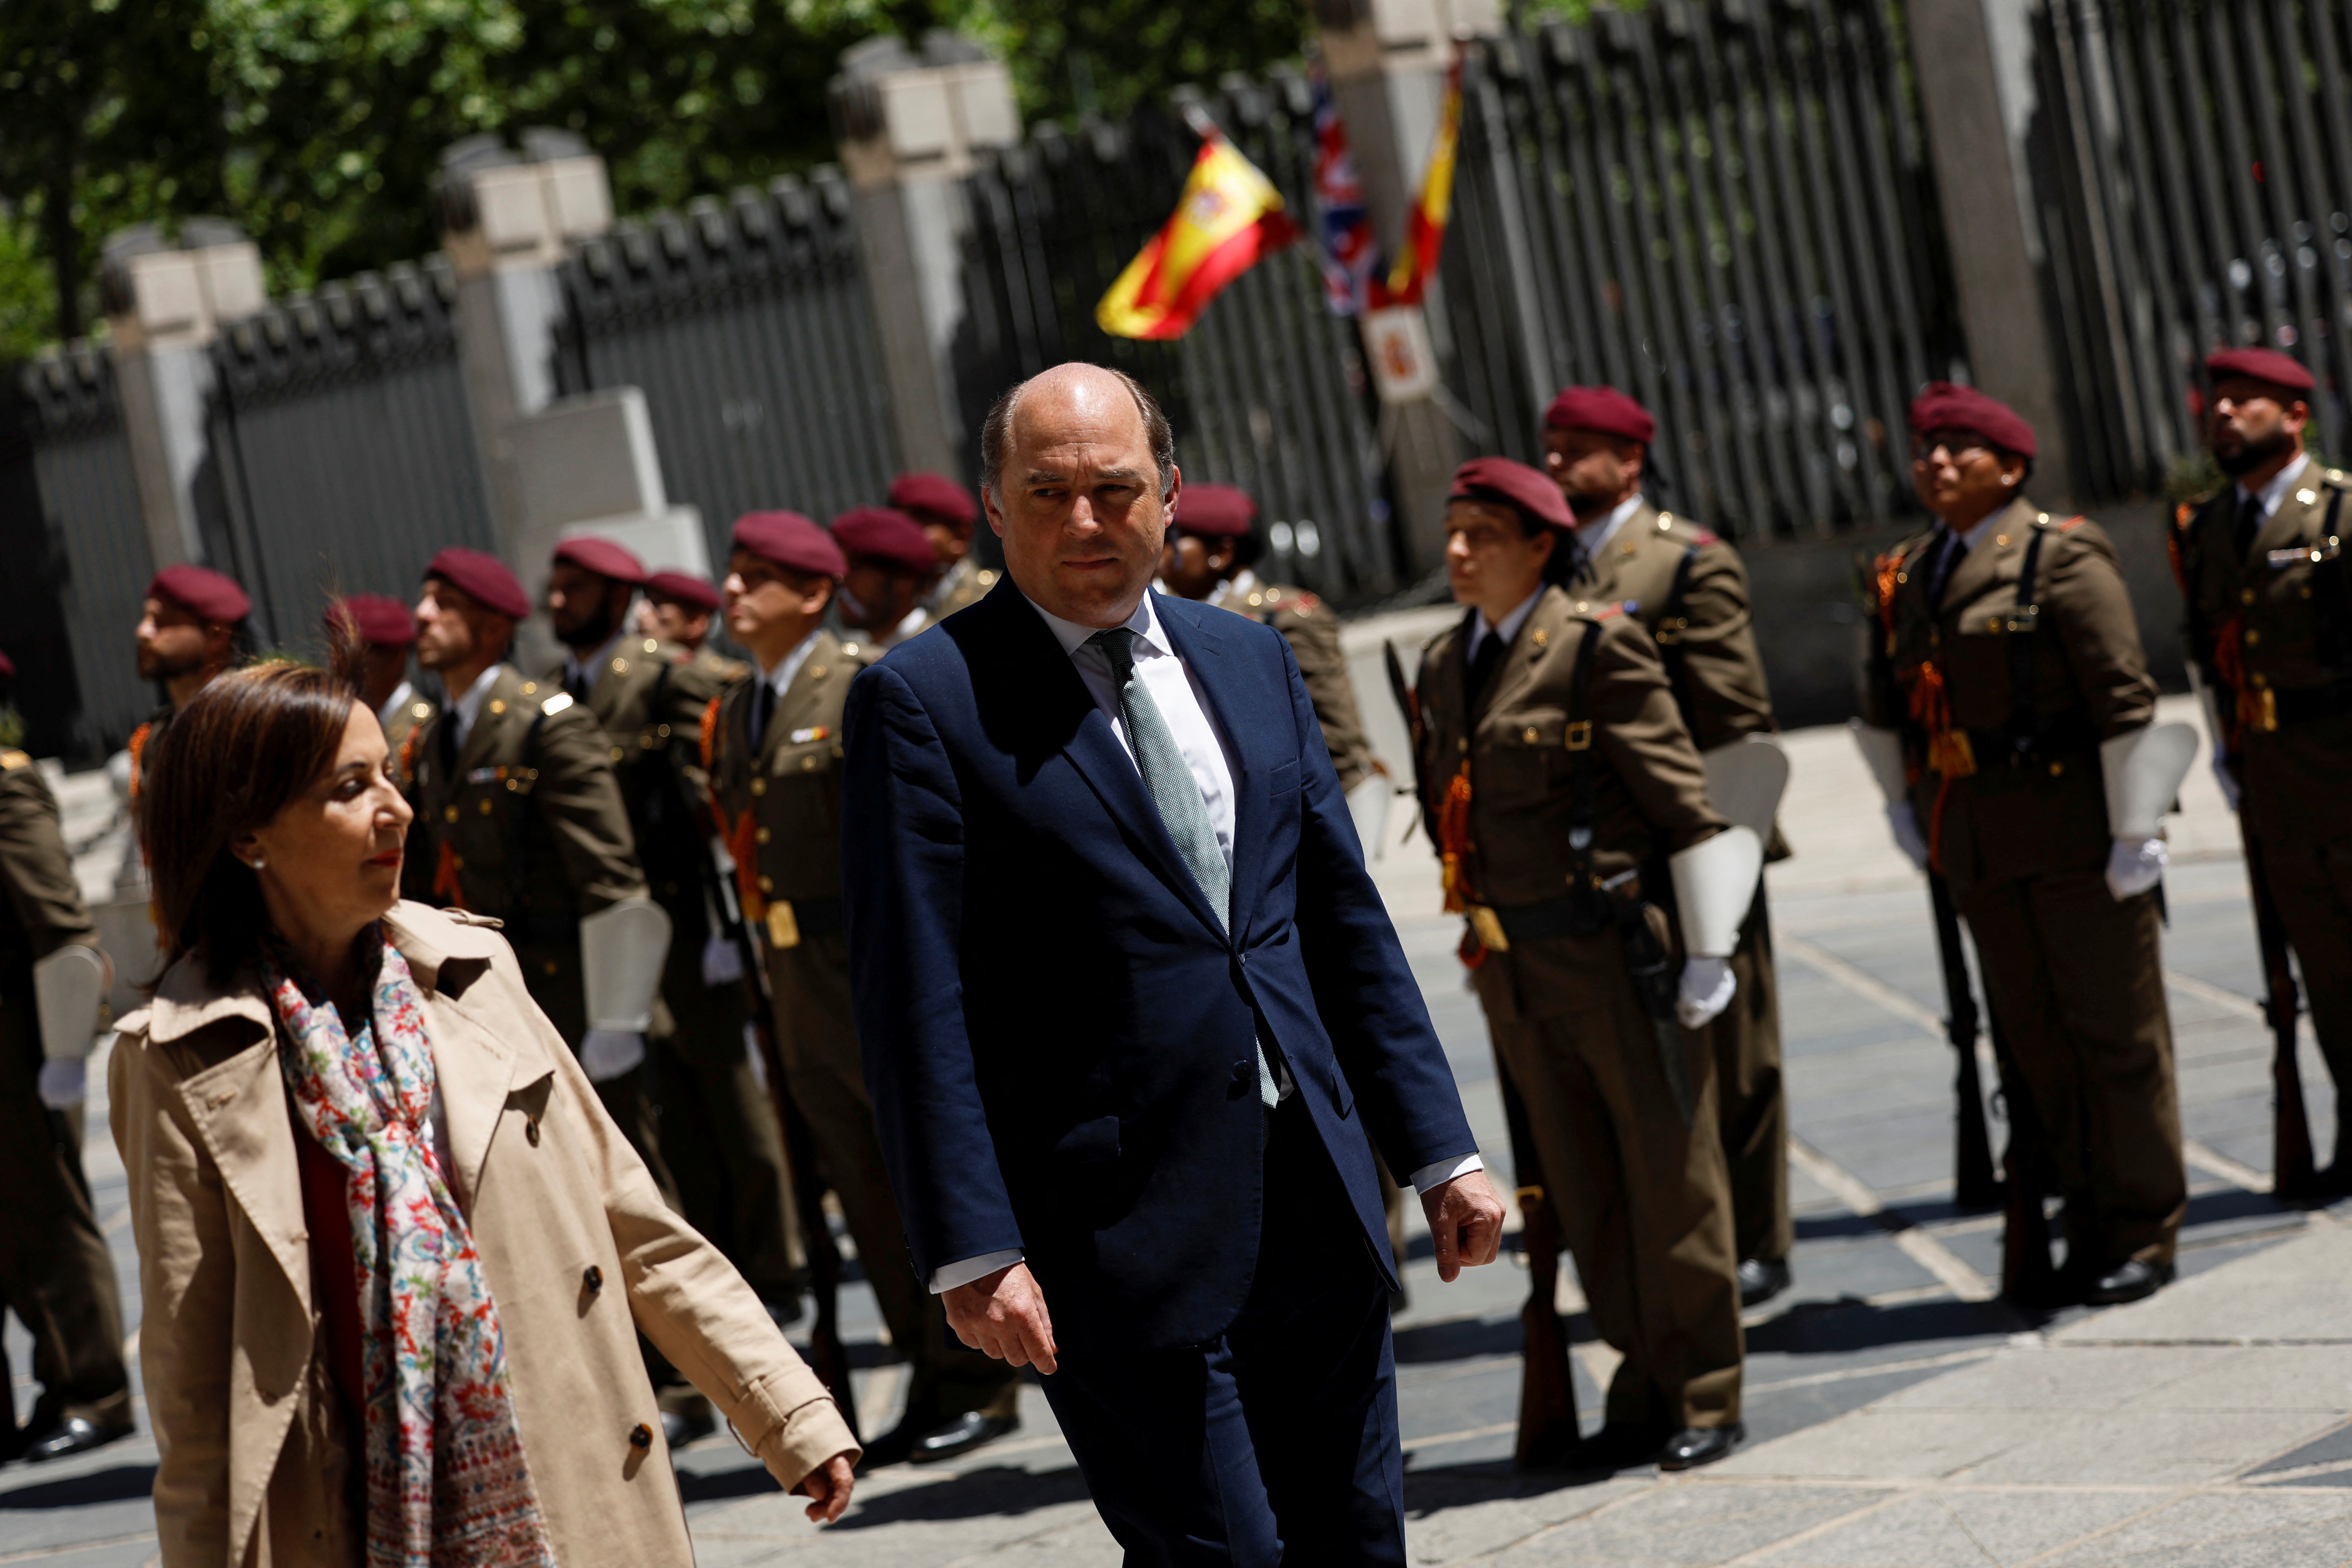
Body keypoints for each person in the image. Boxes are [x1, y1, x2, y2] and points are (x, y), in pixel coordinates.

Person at [842, 362, 1506, 1559]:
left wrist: (1439, 1146)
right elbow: (913, 1001)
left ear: (1171, 494)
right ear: (991, 508)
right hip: (1112, 1232)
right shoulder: (924, 700)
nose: (1082, 522)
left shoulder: (1249, 660)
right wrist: (972, 1245)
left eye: (1113, 488)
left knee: (1357, 1535)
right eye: (1044, 494)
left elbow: (1337, 922)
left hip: (1315, 1189)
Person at [114, 655, 856, 1564]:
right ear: (247, 834)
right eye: (352, 786)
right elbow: (192, 1381)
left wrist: (786, 1407)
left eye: (391, 772)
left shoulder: (472, 972)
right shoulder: (179, 1053)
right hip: (348, 1517)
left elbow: (635, 1221)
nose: (397, 808)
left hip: (575, 1480)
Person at [1414, 454, 1753, 1470]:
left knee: (1670, 1182)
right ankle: (1642, 1377)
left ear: (1541, 546)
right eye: (1454, 532)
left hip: (1615, 961)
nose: (1459, 553)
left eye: (1483, 535)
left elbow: (1685, 811)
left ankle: (1705, 1390)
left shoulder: (1598, 647)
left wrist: (1708, 950)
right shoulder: (1443, 663)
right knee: (1582, 1195)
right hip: (1514, 973)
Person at [1857, 383, 2188, 1304]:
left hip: (2076, 830)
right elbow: (1889, 699)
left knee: (2114, 1038)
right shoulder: (1912, 570)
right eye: (1927, 447)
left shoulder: (2058, 552)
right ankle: (2079, 1221)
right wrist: (1902, 799)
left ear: (2010, 465)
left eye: (1961, 446)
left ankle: (2143, 1226)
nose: (1937, 461)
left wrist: (2138, 824)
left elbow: (2122, 697)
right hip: (1977, 842)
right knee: (2035, 1044)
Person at [705, 510, 1023, 1466]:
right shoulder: (743, 706)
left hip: (863, 965)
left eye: (757, 576)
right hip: (794, 974)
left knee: (907, 1166)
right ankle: (928, 1364)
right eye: (732, 572)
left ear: (813, 593)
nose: (732, 593)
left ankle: (980, 1374)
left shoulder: (857, 683)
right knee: (856, 1179)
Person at [1542, 385, 1795, 1307]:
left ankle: (1760, 1237)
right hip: (1607, 854)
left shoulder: (1687, 560)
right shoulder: (1549, 566)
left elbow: (1733, 722)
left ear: (1630, 461)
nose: (1559, 463)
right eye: (1552, 447)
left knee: (1737, 1053)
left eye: (1579, 448)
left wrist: (1722, 856)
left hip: (1698, 837)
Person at [1155, 479, 1412, 1296]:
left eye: (1179, 540)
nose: (1164, 554)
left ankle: (1376, 1229)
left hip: (1287, 873)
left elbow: (1339, 744)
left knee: (1331, 1049)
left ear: (1221, 551)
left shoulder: (1284, 615)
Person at [541, 535, 804, 1324]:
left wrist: (732, 915)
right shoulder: (559, 693)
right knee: (672, 1108)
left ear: (618, 599)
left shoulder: (667, 678)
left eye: (576, 589)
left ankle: (776, 1261)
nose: (557, 602)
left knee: (731, 1096)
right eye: (553, 588)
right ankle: (717, 1256)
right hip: (622, 930)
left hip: (693, 923)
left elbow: (719, 794)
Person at [398, 548, 677, 1206]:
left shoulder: (546, 722)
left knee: (628, 1189)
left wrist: (616, 1017)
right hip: (499, 995)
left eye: (445, 605)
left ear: (494, 627)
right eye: (425, 600)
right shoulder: (441, 738)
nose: (422, 616)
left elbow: (612, 880)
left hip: (575, 990)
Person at [2172, 348, 2352, 1187]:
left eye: (2248, 401)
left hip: (2344, 763)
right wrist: (2224, 744)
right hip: (2272, 775)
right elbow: (2209, 655)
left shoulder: (2342, 509)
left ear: (2296, 418)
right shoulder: (2208, 529)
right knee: (2319, 958)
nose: (2225, 414)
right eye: (2219, 401)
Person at [0, 746, 130, 1463]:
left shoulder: (6, 789)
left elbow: (61, 930)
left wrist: (62, 1055)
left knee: (47, 1215)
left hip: (15, 1047)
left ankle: (93, 1392)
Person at [117, 564, 251, 891]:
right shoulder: (155, 737)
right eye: (145, 619)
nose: (143, 632)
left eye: (161, 622)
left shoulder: (253, 720)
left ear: (218, 635)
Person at [328, 593, 434, 758]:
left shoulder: (426, 729)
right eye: (335, 653)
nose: (335, 665)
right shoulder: (341, 725)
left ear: (394, 657)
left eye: (350, 656)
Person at [828, 505, 938, 651]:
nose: (841, 582)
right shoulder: (862, 654)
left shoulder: (934, 652)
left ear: (904, 581)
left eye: (854, 569)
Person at [893, 470, 998, 619]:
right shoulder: (893, 602)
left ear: (960, 536)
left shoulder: (993, 595)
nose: (907, 539)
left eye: (919, 527)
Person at [637, 570, 746, 679]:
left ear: (696, 623)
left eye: (658, 606)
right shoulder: (638, 660)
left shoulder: (719, 677)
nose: (642, 614)